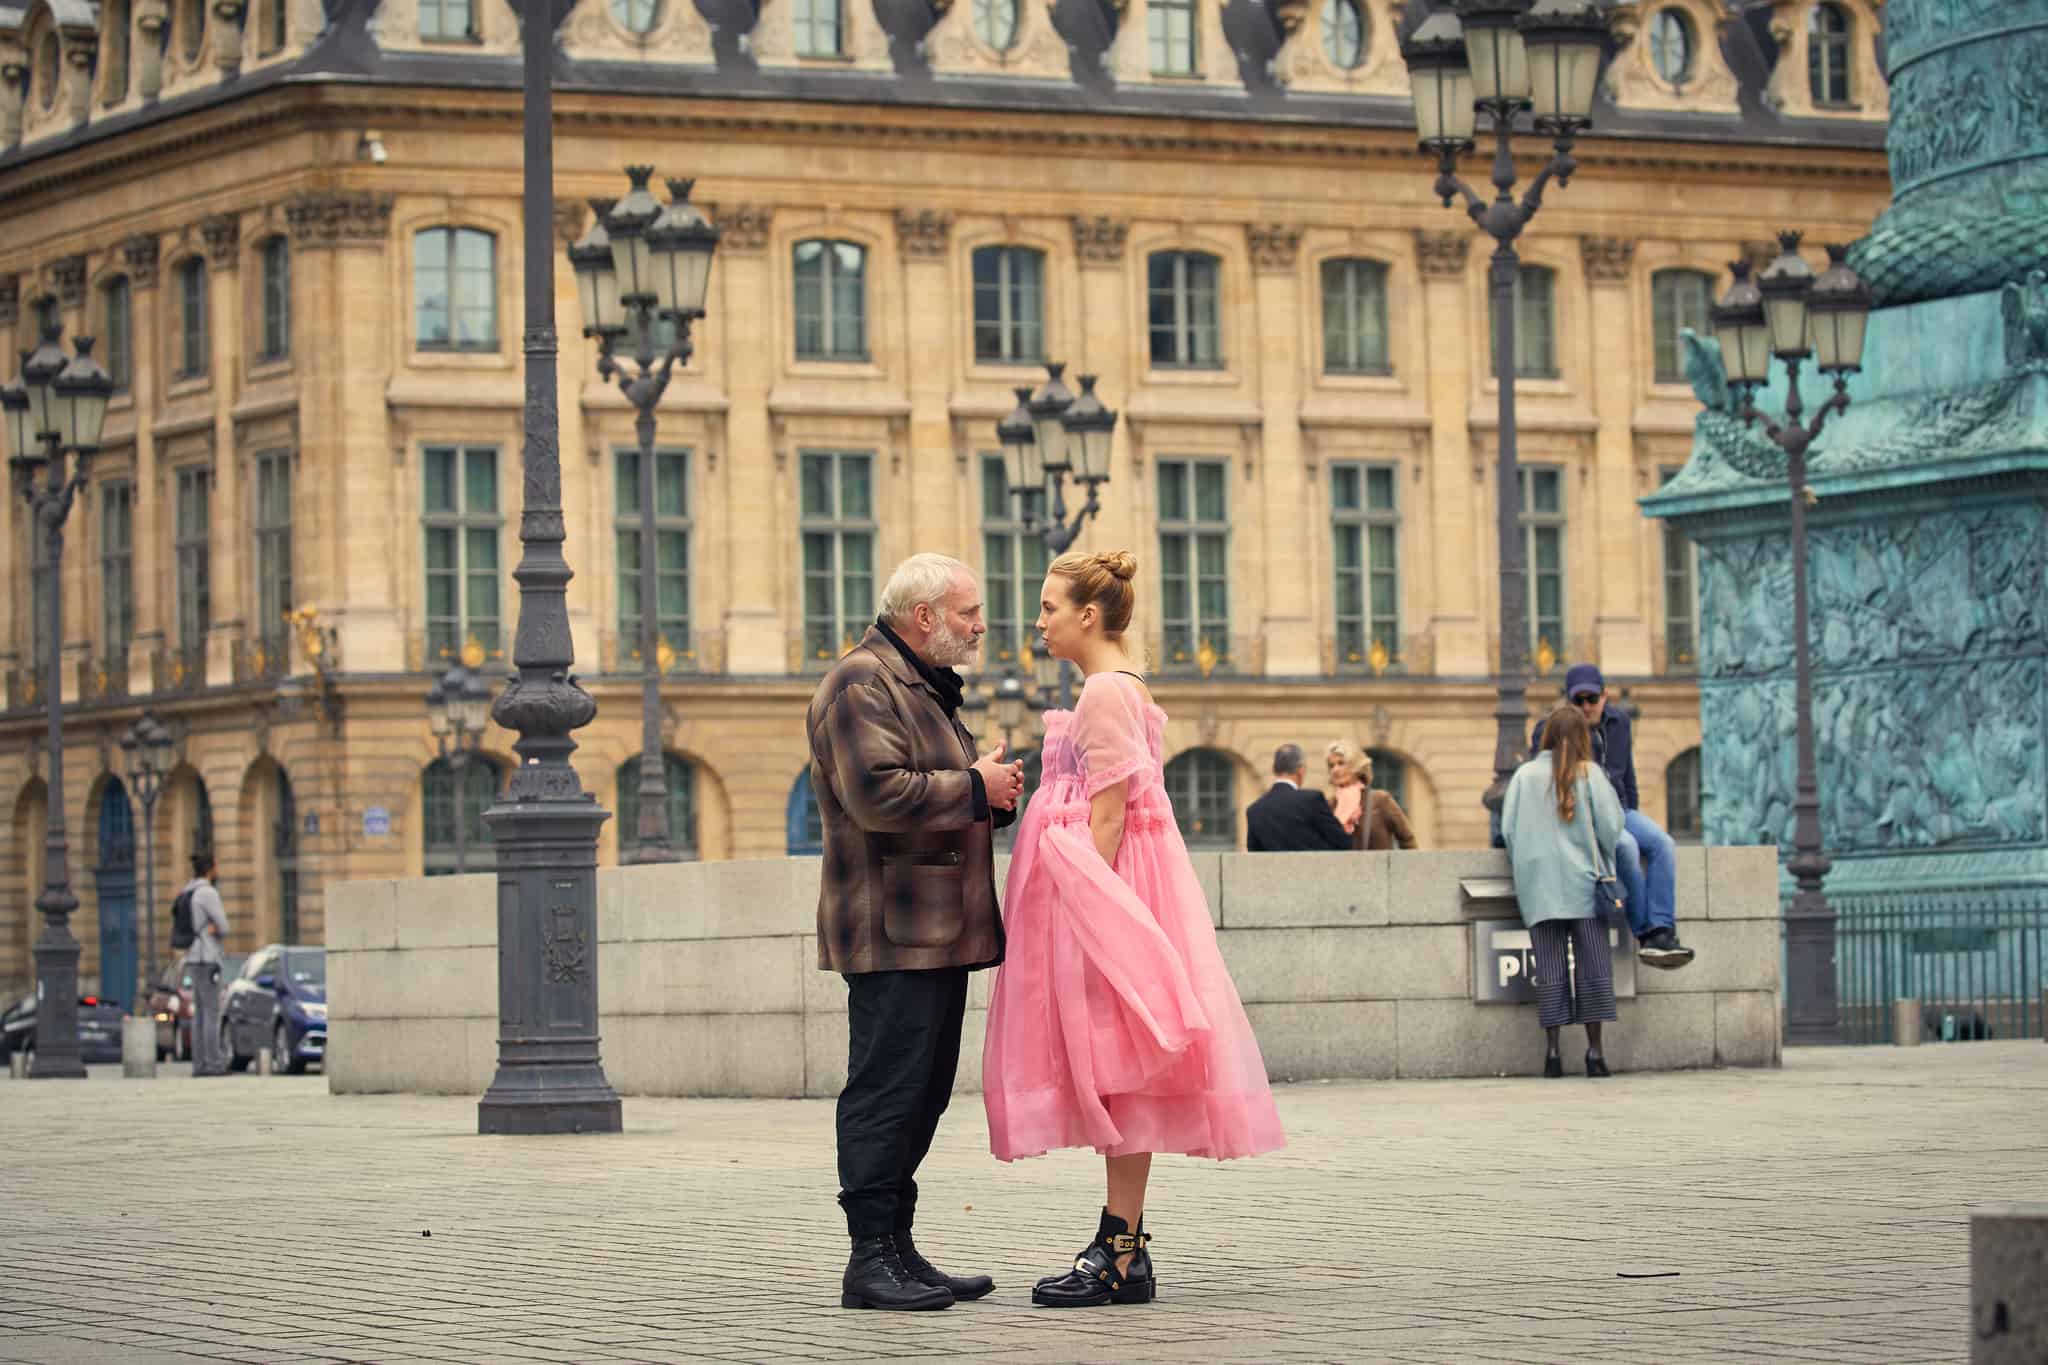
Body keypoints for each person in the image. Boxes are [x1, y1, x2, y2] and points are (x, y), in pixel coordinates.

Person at [983, 550, 1285, 1309]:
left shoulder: (1106, 694)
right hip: (1119, 885)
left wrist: (1096, 917)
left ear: (1089, 614)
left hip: (1108, 891)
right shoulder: (1115, 688)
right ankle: (1124, 1244)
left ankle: (1120, 1248)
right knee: (1123, 1067)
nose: (1038, 620)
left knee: (1119, 1064)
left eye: (1050, 606)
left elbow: (1110, 813)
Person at [808, 553, 1027, 1312]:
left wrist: (990, 794)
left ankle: (898, 1247)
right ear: (924, 615)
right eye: (968, 611)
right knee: (885, 1090)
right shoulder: (860, 681)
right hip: (891, 928)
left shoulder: (921, 688)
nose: (979, 625)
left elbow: (933, 791)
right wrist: (973, 785)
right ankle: (868, 1256)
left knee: (923, 1093)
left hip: (936, 929)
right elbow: (876, 794)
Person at [1532, 664, 1696, 969]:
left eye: (1591, 699)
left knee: (1663, 843)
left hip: (1620, 808)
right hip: (1584, 815)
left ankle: (1662, 927)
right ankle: (1645, 934)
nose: (1585, 707)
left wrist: (1630, 808)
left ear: (1605, 697)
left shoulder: (1620, 722)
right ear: (1567, 701)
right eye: (1577, 701)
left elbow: (1627, 773)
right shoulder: (1553, 729)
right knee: (1627, 847)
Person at [1502, 705, 1626, 1078]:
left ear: (1546, 736)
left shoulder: (1523, 777)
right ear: (1584, 737)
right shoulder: (1591, 775)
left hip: (1539, 887)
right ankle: (1594, 1052)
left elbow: (1508, 832)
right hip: (1584, 886)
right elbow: (1612, 828)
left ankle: (1553, 1054)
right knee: (1593, 968)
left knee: (1551, 969)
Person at [1245, 743, 1352, 852]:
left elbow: (1254, 856)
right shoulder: (1312, 800)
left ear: (1274, 770)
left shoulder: (1254, 811)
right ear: (1301, 770)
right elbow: (1343, 843)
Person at [181, 850, 229, 1078]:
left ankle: (199, 1063)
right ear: (210, 869)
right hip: (208, 957)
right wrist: (216, 928)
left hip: (192, 956)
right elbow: (225, 926)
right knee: (211, 1013)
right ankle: (213, 1063)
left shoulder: (188, 891)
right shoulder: (208, 893)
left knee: (199, 1012)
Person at [1324, 741, 1418, 851]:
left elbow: (1408, 840)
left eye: (1341, 763)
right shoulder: (1328, 806)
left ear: (1356, 766)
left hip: (1380, 867)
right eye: (1331, 765)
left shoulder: (1380, 800)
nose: (1335, 769)